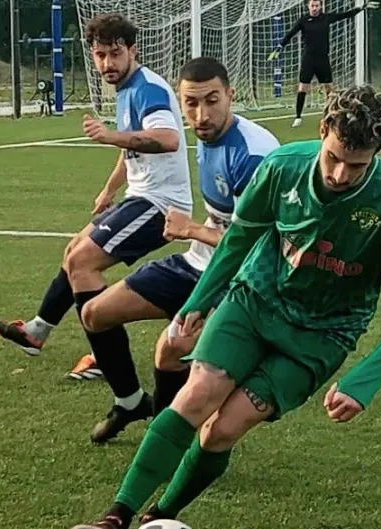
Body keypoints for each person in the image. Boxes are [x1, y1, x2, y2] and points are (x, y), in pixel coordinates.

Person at [67, 84, 381, 529]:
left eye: (356, 165)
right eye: (334, 157)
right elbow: (240, 239)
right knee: (196, 394)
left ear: (376, 154)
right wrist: (200, 301)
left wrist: (364, 381)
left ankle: (161, 514)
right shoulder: (283, 168)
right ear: (323, 131)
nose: (340, 174)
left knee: (223, 430)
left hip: (321, 335)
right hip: (255, 299)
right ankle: (115, 518)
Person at [0, 13, 192, 401]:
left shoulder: (147, 88)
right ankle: (37, 330)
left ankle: (108, 365)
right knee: (73, 252)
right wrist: (108, 189)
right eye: (100, 55)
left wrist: (108, 135)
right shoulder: (127, 89)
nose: (107, 64)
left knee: (83, 262)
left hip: (161, 204)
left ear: (133, 51)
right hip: (139, 195)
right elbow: (132, 145)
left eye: (115, 54)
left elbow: (166, 139)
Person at [77, 56, 281, 444]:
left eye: (211, 100)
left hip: (237, 277)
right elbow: (223, 220)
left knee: (171, 349)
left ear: (230, 96)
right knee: (95, 313)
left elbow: (255, 246)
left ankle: (166, 435)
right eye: (191, 103)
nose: (201, 114)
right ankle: (130, 402)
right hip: (196, 262)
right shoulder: (208, 139)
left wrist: (191, 229)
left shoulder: (252, 155)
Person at [268, 0, 379, 128]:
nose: (314, 8)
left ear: (320, 6)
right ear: (308, 7)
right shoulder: (303, 21)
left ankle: (330, 114)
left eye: (317, 5)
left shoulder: (326, 18)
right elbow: (290, 34)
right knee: (303, 88)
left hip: (323, 59)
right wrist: (279, 48)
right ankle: (298, 117)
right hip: (309, 59)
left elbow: (345, 15)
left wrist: (362, 8)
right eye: (312, 6)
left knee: (329, 89)